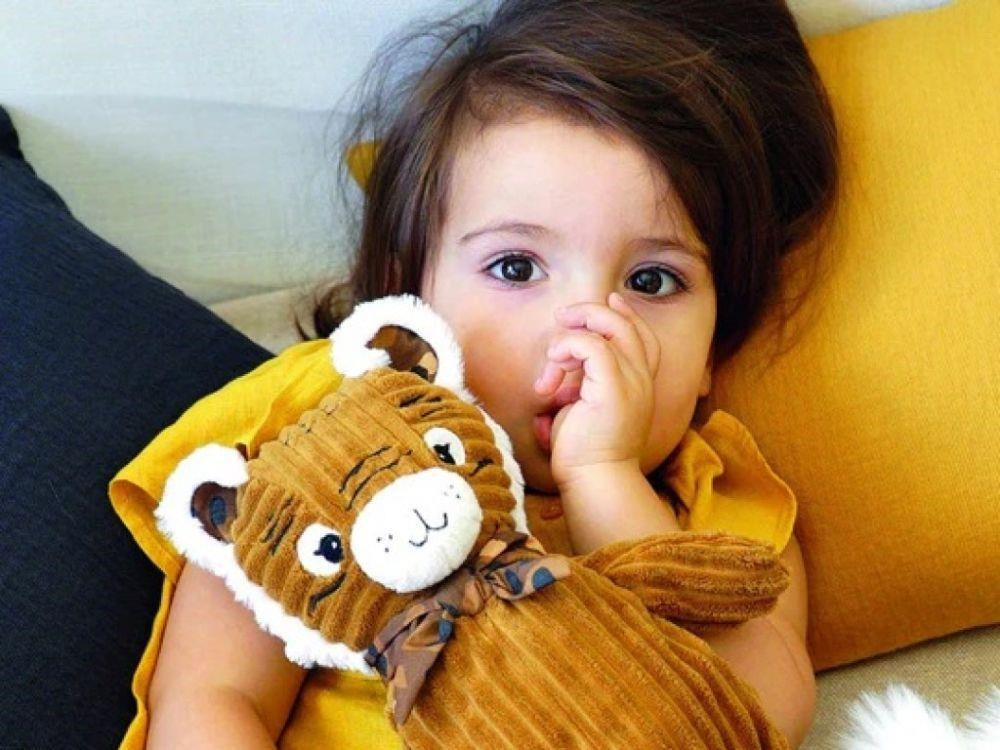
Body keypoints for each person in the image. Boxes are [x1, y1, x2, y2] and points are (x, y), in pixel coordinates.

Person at [139, 0, 839, 747]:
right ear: (408, 296)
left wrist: (605, 482)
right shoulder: (327, 452)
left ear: (710, 355)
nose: (582, 332)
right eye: (515, 267)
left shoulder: (715, 502)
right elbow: (210, 699)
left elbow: (765, 711)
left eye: (652, 281)